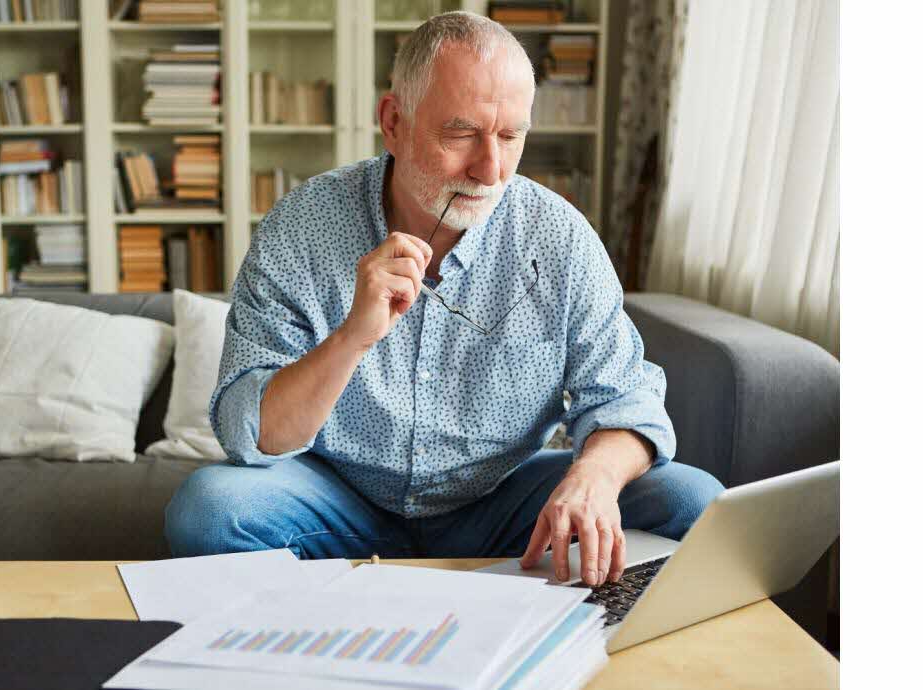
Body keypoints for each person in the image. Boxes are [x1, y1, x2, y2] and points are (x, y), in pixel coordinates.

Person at [165, 11, 723, 587]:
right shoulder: (303, 226)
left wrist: (595, 478)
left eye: (510, 137)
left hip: (504, 503)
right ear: (394, 121)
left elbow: (626, 397)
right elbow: (248, 436)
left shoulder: (559, 237)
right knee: (209, 510)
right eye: (460, 135)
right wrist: (351, 337)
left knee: (693, 501)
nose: (490, 169)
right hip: (338, 502)